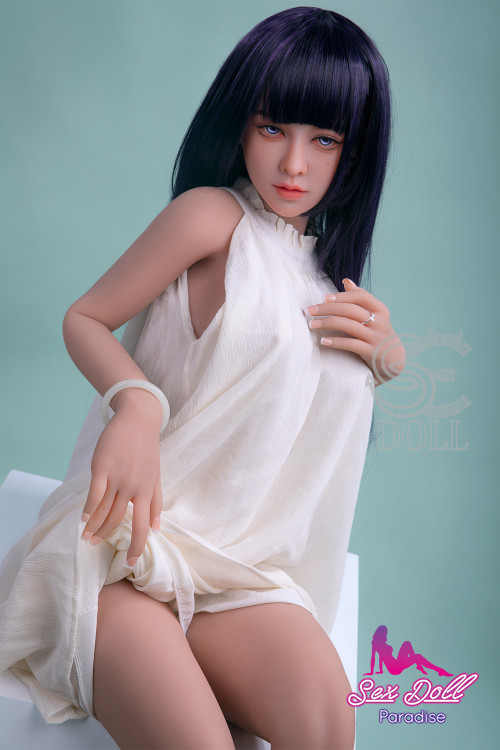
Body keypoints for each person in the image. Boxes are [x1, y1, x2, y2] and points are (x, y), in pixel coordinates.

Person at [0, 7, 405, 750]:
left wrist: (383, 362)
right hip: (123, 554)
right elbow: (85, 317)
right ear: (239, 126)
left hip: (240, 578)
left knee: (327, 727)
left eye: (325, 140)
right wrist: (136, 404)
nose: (293, 165)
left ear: (356, 155)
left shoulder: (328, 288)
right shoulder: (213, 218)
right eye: (273, 128)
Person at [364, 626, 453, 677]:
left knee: (407, 643)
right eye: (385, 633)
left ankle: (419, 665)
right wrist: (372, 671)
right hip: (394, 668)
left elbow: (381, 658)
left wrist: (380, 670)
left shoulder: (381, 644)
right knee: (418, 657)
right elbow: (374, 658)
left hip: (396, 663)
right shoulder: (376, 644)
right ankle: (438, 670)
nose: (386, 634)